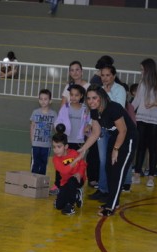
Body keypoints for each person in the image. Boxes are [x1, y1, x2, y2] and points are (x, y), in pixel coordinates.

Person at [75, 84, 137, 217]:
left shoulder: (113, 108)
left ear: (101, 97)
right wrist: (83, 149)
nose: (91, 101)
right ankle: (114, 201)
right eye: (89, 98)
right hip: (115, 137)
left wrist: (116, 149)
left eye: (94, 98)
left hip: (128, 138)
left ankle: (111, 207)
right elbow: (95, 133)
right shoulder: (94, 111)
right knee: (109, 169)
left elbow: (123, 130)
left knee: (118, 171)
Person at [89, 65, 127, 200]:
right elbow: (94, 109)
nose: (105, 78)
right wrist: (90, 124)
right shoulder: (99, 90)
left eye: (107, 75)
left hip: (116, 130)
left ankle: (111, 190)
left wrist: (104, 98)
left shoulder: (119, 90)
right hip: (102, 128)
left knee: (113, 160)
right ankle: (102, 188)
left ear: (114, 76)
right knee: (102, 160)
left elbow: (118, 109)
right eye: (102, 75)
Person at [49, 84, 90, 195]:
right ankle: (58, 184)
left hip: (78, 142)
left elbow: (90, 122)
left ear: (81, 96)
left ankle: (77, 185)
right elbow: (58, 120)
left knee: (77, 164)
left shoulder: (85, 109)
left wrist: (88, 126)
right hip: (66, 141)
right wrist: (58, 127)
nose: (73, 97)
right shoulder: (65, 107)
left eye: (76, 95)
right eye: (71, 95)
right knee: (61, 164)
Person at [132, 58, 157, 187]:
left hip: (155, 120)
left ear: (148, 69)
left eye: (142, 69)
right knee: (140, 147)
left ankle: (151, 176)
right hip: (141, 118)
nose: (141, 72)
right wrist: (127, 111)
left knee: (152, 148)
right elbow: (136, 101)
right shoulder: (142, 83)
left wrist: (155, 103)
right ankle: (137, 174)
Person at [52, 131, 86, 216]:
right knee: (59, 206)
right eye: (54, 147)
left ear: (66, 146)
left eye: (59, 147)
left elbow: (83, 164)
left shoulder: (74, 153)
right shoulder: (55, 159)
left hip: (78, 179)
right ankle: (77, 194)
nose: (56, 150)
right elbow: (64, 171)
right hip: (65, 182)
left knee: (72, 180)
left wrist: (79, 173)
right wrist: (75, 161)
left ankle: (70, 205)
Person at [30, 89, 57, 175]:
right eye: (41, 99)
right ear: (38, 100)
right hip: (36, 144)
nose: (43, 101)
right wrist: (32, 141)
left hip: (46, 144)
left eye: (45, 99)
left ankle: (41, 181)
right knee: (35, 164)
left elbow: (55, 128)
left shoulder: (53, 114)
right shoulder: (35, 112)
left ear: (50, 101)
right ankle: (33, 181)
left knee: (44, 164)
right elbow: (32, 126)